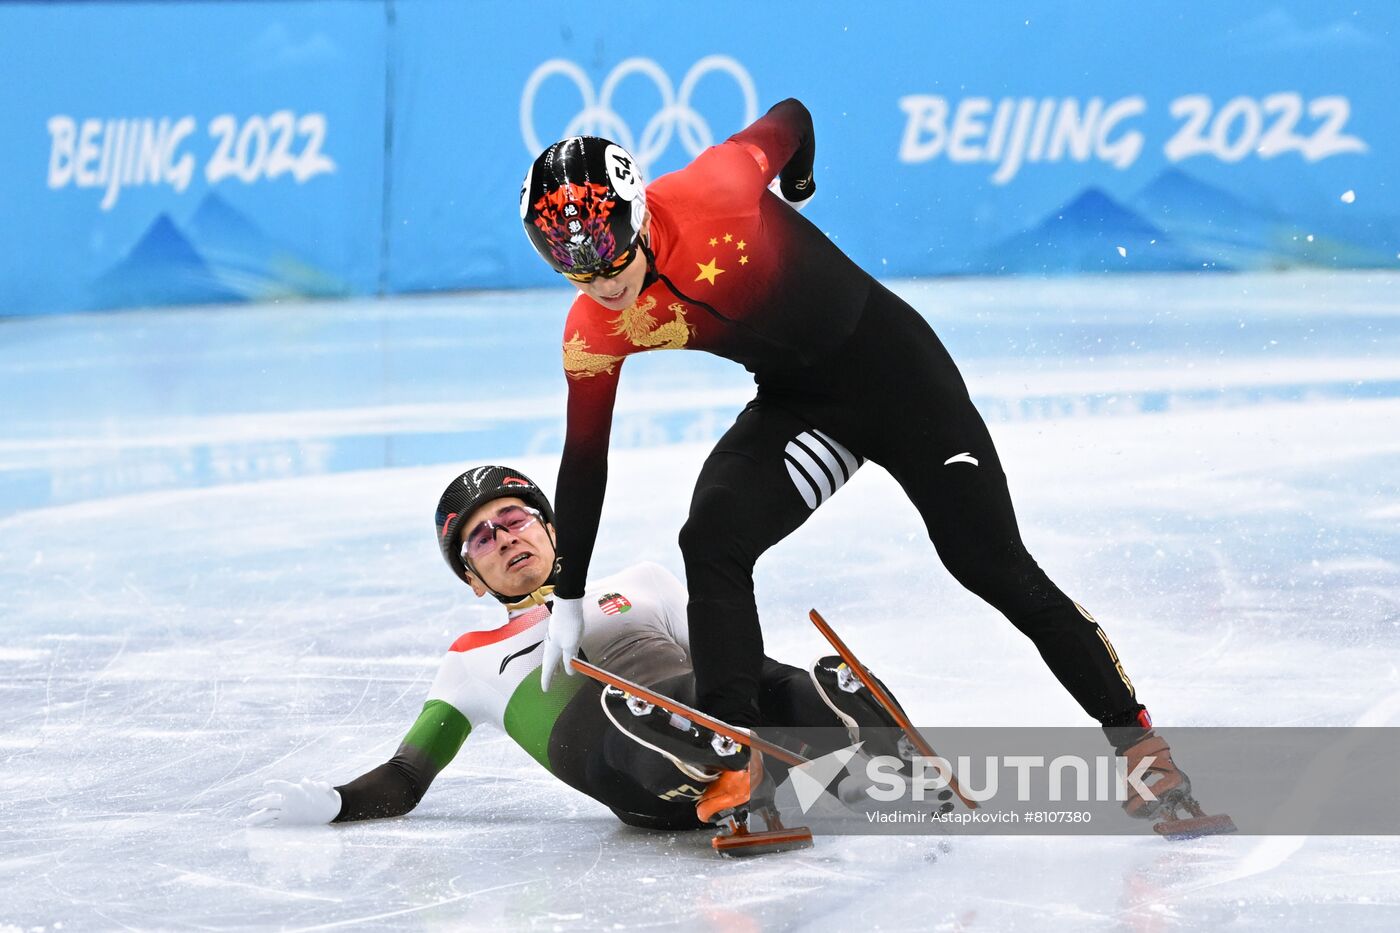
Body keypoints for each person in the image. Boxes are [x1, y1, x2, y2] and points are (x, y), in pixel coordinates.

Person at [520, 99, 1185, 820]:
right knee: (712, 534)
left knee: (992, 566)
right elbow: (585, 455)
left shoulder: (718, 189)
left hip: (903, 383)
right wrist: (569, 591)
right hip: (801, 406)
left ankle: (1138, 743)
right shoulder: (593, 327)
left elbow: (795, 117)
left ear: (637, 215)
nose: (602, 284)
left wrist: (798, 182)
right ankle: (732, 747)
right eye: (574, 271)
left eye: (611, 254)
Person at [247, 465, 902, 831]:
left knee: (750, 674)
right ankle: (712, 755)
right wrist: (335, 801)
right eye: (481, 539)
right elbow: (408, 775)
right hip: (637, 780)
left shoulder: (640, 582)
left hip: (710, 704)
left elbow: (733, 662)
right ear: (473, 579)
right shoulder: (469, 661)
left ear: (553, 531)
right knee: (628, 712)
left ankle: (846, 720)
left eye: (514, 519)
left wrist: (784, 684)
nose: (504, 538)